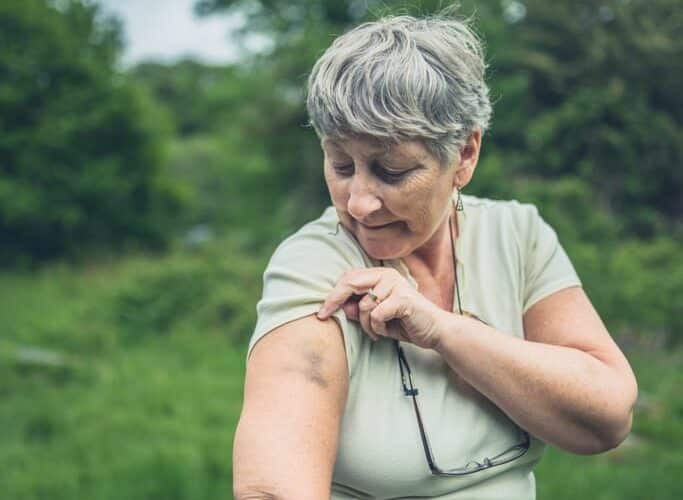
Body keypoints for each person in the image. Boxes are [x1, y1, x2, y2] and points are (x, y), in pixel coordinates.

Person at [232, 11, 638, 500]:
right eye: (341, 164)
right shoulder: (314, 268)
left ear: (465, 154)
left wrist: (444, 331)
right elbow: (272, 489)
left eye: (392, 171)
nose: (358, 201)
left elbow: (607, 418)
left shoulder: (516, 234)